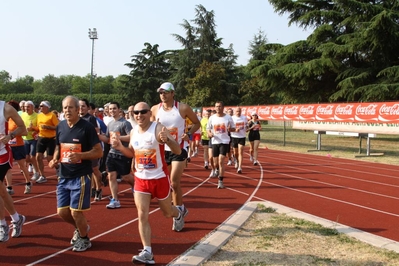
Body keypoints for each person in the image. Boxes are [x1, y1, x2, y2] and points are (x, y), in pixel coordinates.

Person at [111, 102, 184, 264]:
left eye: (143, 112)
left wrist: (168, 141)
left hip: (159, 178)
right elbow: (131, 152)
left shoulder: (158, 129)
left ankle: (178, 213)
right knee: (142, 214)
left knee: (167, 213)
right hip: (141, 180)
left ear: (149, 113)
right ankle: (147, 251)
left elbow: (178, 151)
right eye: (136, 113)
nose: (139, 115)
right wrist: (119, 147)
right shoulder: (134, 131)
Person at [48, 96, 103, 252]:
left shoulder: (86, 128)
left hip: (81, 176)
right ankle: (82, 228)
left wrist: (80, 155)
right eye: (64, 108)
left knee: (76, 212)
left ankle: (84, 239)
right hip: (64, 175)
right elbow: (59, 147)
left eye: (70, 107)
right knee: (62, 212)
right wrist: (55, 159)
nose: (67, 110)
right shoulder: (60, 126)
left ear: (78, 109)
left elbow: (98, 152)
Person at [150, 82, 200, 217]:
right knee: (164, 182)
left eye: (165, 92)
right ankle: (181, 207)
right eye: (161, 93)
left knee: (174, 182)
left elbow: (197, 123)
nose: (163, 95)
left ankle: (178, 212)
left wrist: (189, 134)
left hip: (179, 149)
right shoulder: (155, 109)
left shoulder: (183, 108)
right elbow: (150, 127)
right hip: (162, 150)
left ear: (173, 93)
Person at [98, 102, 135, 209]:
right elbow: (107, 139)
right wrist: (98, 136)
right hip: (112, 154)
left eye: (114, 108)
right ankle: (115, 199)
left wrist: (119, 138)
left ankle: (134, 186)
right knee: (111, 176)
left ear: (119, 110)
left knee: (126, 176)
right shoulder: (110, 124)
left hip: (123, 153)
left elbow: (131, 137)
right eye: (110, 109)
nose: (112, 111)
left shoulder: (125, 123)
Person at [0, 100, 27, 242]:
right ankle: (17, 218)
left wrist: (9, 136)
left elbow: (23, 128)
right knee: (2, 192)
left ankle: (2, 225)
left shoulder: (6, 108)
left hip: (2, 155)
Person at [5, 101, 32, 195]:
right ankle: (9, 187)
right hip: (8, 146)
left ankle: (28, 183)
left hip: (18, 146)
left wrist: (12, 135)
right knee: (7, 168)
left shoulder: (17, 119)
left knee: (22, 166)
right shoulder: (5, 119)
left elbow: (25, 133)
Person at [206, 101, 235, 189]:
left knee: (221, 160)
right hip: (215, 141)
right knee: (215, 162)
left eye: (219, 106)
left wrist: (230, 129)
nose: (217, 108)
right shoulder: (212, 117)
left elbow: (233, 128)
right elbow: (208, 128)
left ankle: (220, 181)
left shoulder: (228, 117)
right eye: (216, 106)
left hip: (225, 141)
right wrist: (209, 134)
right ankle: (217, 169)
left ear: (223, 107)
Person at [79, 99, 103, 201]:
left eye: (83, 106)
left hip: (91, 149)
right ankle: (92, 188)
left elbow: (96, 132)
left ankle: (98, 189)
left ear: (88, 108)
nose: (81, 108)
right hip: (80, 149)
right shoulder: (76, 119)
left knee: (94, 169)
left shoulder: (91, 118)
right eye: (79, 106)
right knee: (85, 171)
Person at [36, 100, 59, 183]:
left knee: (50, 159)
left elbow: (57, 127)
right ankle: (42, 175)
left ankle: (58, 168)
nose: (40, 107)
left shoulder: (52, 115)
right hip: (41, 138)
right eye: (40, 106)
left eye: (42, 106)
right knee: (38, 157)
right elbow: (38, 127)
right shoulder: (39, 116)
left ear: (47, 107)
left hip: (50, 138)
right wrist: (33, 129)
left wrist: (48, 127)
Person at [21, 100, 40, 180]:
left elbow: (40, 128)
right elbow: (20, 125)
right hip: (25, 138)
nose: (26, 108)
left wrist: (33, 128)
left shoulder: (37, 116)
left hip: (34, 138)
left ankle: (36, 173)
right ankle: (31, 166)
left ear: (32, 107)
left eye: (28, 106)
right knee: (26, 158)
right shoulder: (22, 115)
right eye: (25, 107)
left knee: (32, 157)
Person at [230, 107, 248, 174]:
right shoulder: (232, 118)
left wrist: (246, 127)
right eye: (237, 111)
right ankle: (236, 161)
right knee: (235, 153)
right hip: (234, 136)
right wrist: (235, 130)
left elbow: (247, 125)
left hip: (242, 136)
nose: (238, 112)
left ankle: (240, 167)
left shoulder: (244, 118)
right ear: (235, 112)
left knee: (241, 151)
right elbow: (229, 128)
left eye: (239, 111)